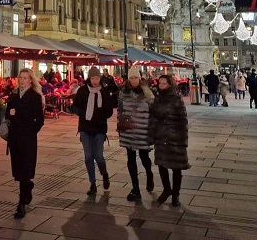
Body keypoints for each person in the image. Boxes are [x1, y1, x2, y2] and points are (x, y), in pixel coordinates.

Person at [6, 68, 44, 219]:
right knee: (18, 171)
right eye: (20, 77)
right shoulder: (14, 95)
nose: (22, 80)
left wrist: (31, 131)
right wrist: (10, 113)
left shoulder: (34, 96)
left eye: (25, 78)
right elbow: (7, 112)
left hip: (27, 138)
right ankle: (28, 186)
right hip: (15, 137)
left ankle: (21, 204)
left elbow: (40, 120)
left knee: (25, 169)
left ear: (30, 80)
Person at [72, 67, 116, 196]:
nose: (95, 81)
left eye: (97, 78)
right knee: (88, 157)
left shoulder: (104, 92)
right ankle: (92, 183)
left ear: (100, 78)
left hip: (99, 128)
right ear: (89, 78)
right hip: (85, 128)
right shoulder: (82, 91)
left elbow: (109, 110)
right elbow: (75, 106)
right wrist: (81, 112)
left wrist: (101, 114)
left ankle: (104, 174)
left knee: (99, 156)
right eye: (93, 78)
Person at [147, 75, 190, 207]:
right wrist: (151, 135)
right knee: (162, 164)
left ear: (170, 85)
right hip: (161, 136)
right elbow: (152, 118)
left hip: (175, 137)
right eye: (160, 83)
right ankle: (167, 189)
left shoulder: (176, 100)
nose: (161, 85)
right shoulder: (157, 99)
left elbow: (183, 120)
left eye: (164, 83)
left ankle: (175, 194)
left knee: (176, 167)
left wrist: (183, 138)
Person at [117, 65, 154, 202]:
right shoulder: (123, 93)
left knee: (144, 158)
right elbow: (120, 111)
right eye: (131, 78)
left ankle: (149, 174)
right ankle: (135, 188)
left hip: (143, 130)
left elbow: (153, 110)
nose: (133, 80)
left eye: (135, 78)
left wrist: (152, 129)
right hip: (128, 130)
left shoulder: (147, 92)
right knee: (131, 159)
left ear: (140, 78)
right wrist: (120, 128)